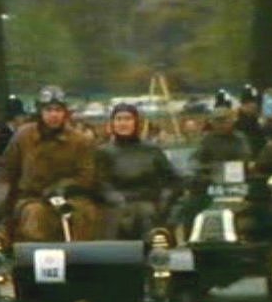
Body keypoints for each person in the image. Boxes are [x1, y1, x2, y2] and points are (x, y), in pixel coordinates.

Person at [0, 85, 101, 244]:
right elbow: (6, 169)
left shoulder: (79, 140)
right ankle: (35, 261)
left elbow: (86, 174)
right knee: (35, 215)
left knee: (83, 214)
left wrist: (63, 187)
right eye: (48, 110)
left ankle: (80, 261)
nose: (53, 115)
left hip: (70, 197)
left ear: (65, 113)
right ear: (40, 112)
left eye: (58, 110)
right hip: (32, 197)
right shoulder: (23, 136)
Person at [94, 103, 183, 241]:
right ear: (112, 123)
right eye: (119, 119)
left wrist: (165, 199)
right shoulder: (103, 152)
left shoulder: (152, 150)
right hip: (117, 205)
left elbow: (173, 180)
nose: (123, 123)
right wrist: (113, 197)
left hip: (150, 204)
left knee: (146, 213)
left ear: (136, 122)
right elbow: (99, 182)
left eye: (128, 119)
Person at [182, 107, 251, 239]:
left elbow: (246, 158)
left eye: (225, 121)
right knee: (191, 205)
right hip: (212, 183)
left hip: (237, 183)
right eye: (217, 121)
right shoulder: (207, 140)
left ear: (232, 121)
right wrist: (207, 168)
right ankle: (191, 238)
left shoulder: (240, 139)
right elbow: (194, 161)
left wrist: (238, 165)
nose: (221, 124)